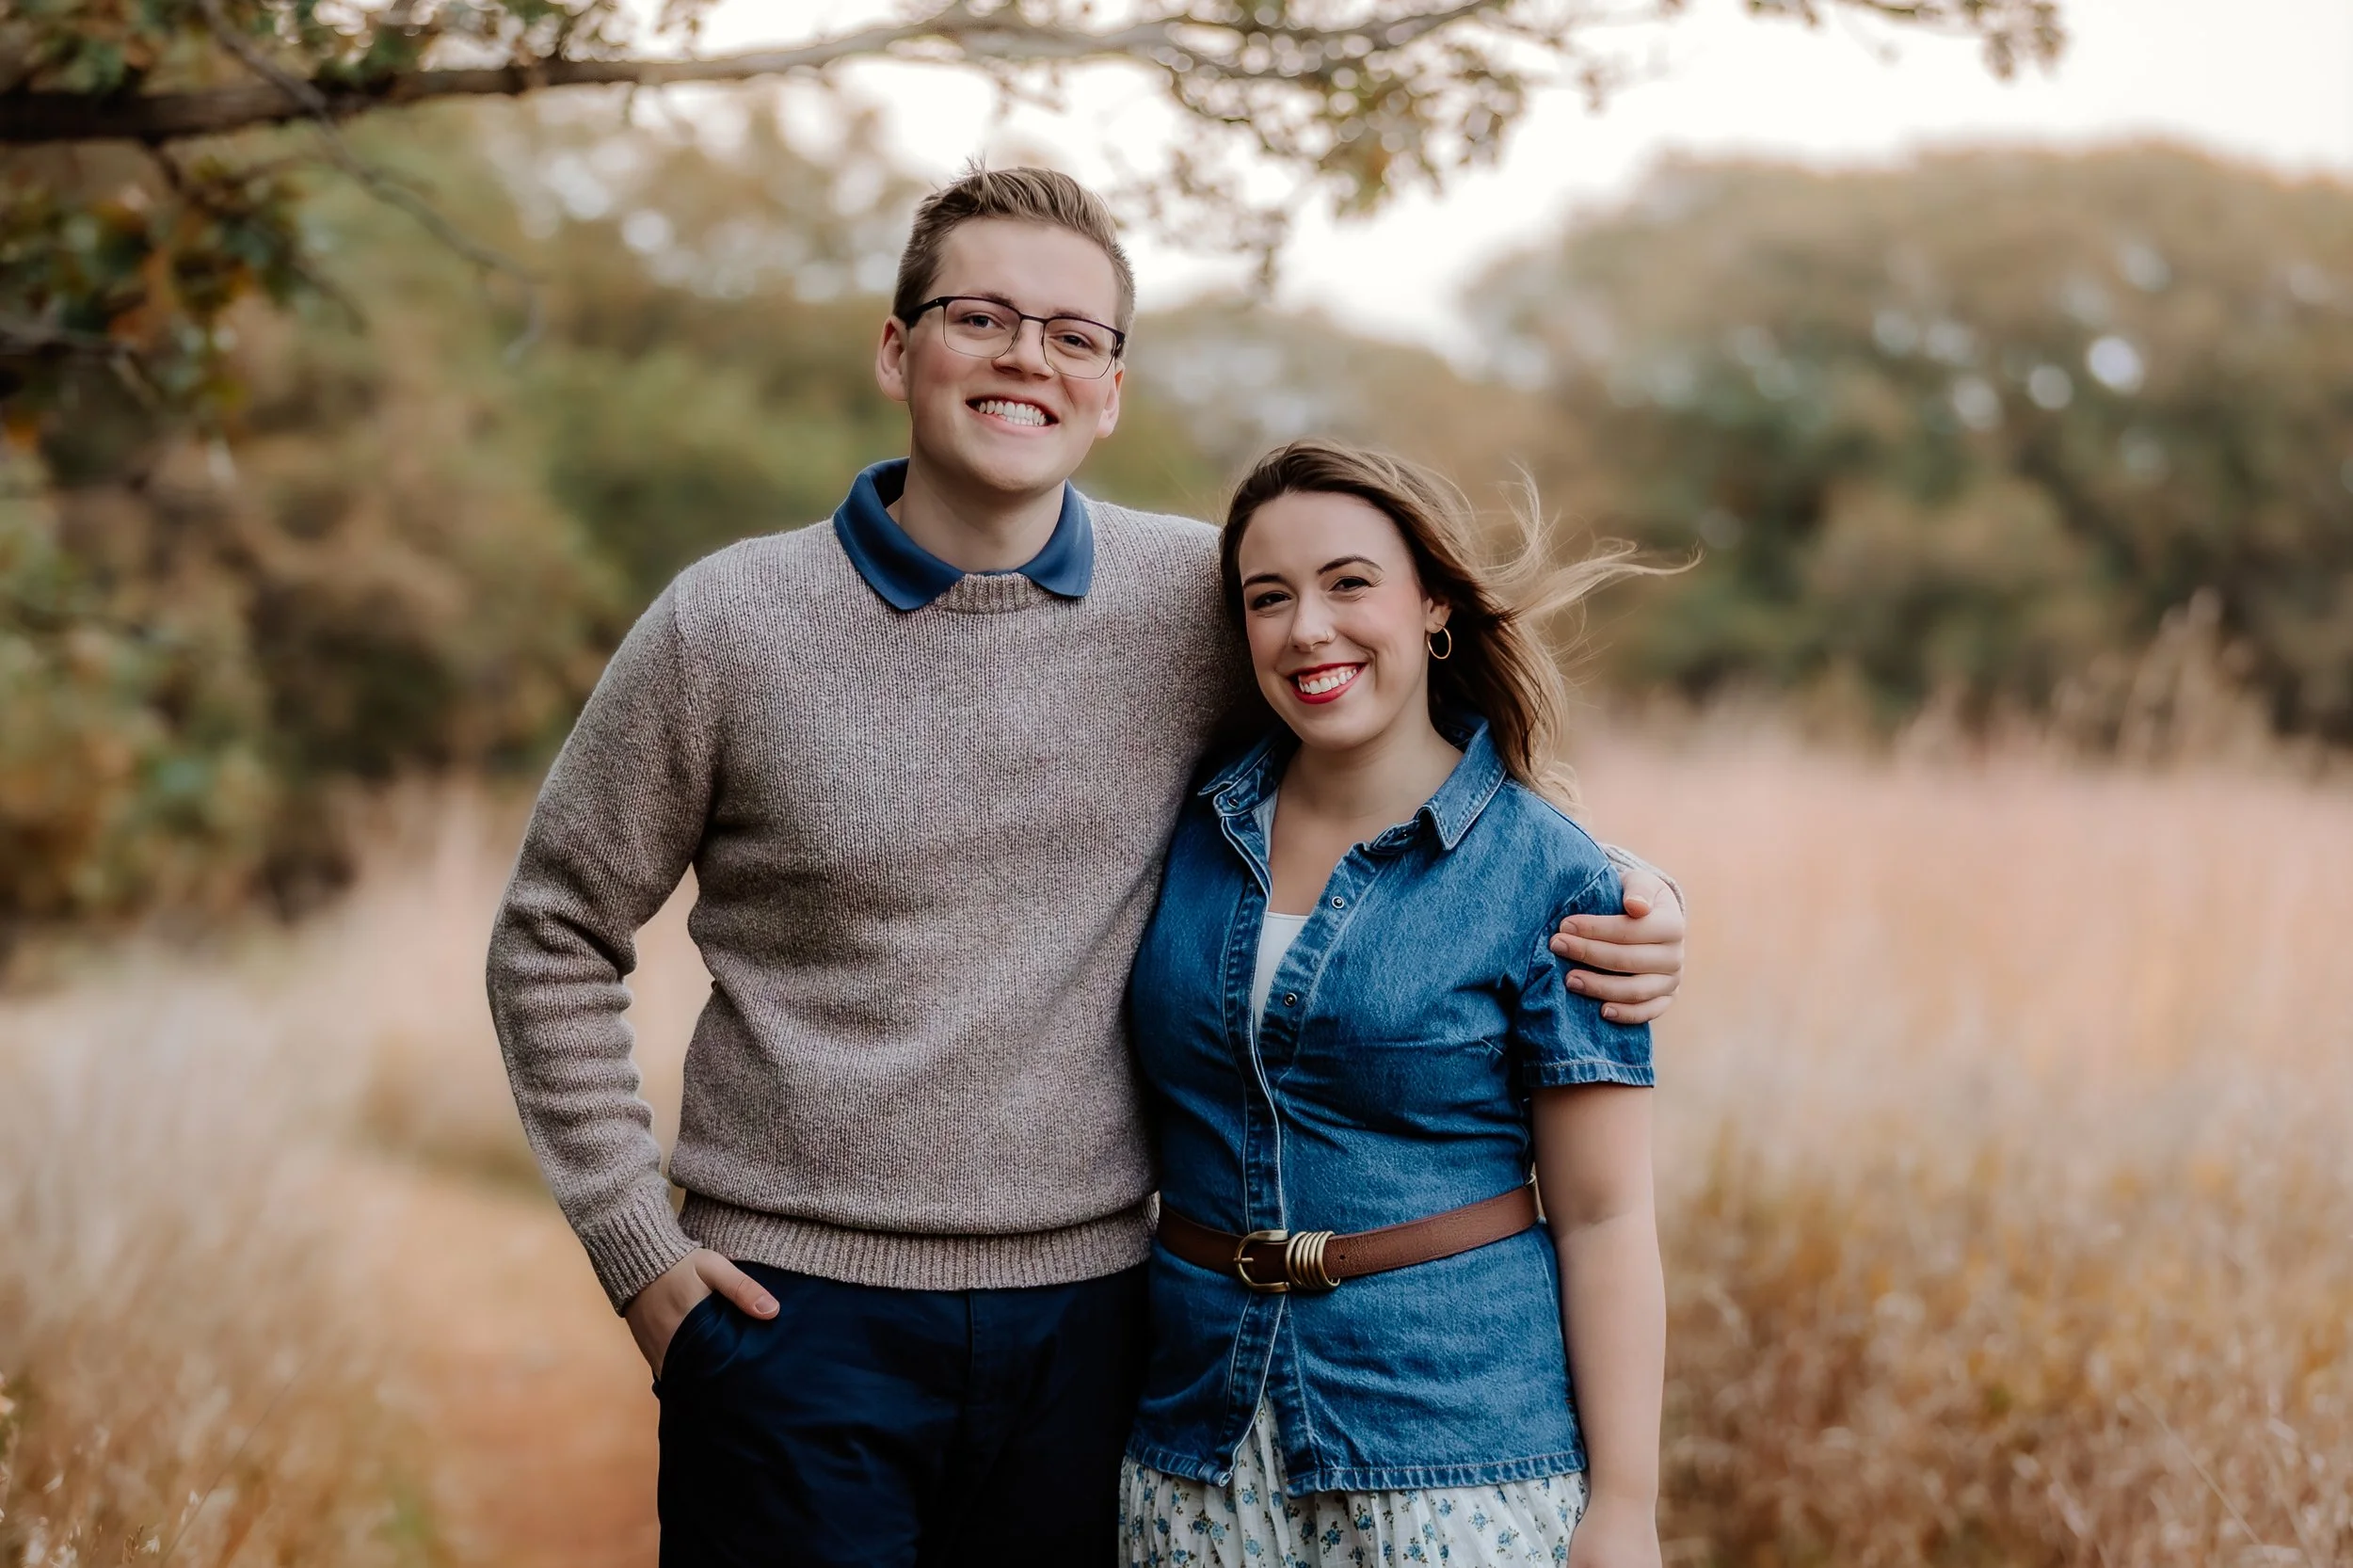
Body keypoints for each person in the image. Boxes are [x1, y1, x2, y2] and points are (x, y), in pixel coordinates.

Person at [483, 167, 1687, 1567]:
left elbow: (1401, 744)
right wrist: (640, 1258)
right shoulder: (726, 626)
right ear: (896, 350)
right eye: (979, 317)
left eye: (1072, 334)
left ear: (1111, 388)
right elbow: (551, 933)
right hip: (793, 1319)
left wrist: (1626, 886)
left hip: (1104, 1329)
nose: (1024, 359)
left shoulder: (1199, 598)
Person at [1121, 440, 1667, 1566]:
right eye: (1268, 599)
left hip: (1453, 1455)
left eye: (1349, 582)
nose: (1307, 628)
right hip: (1190, 1445)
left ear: (1431, 605)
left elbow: (1606, 1215)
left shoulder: (1557, 879)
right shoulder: (1183, 833)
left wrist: (1626, 1505)